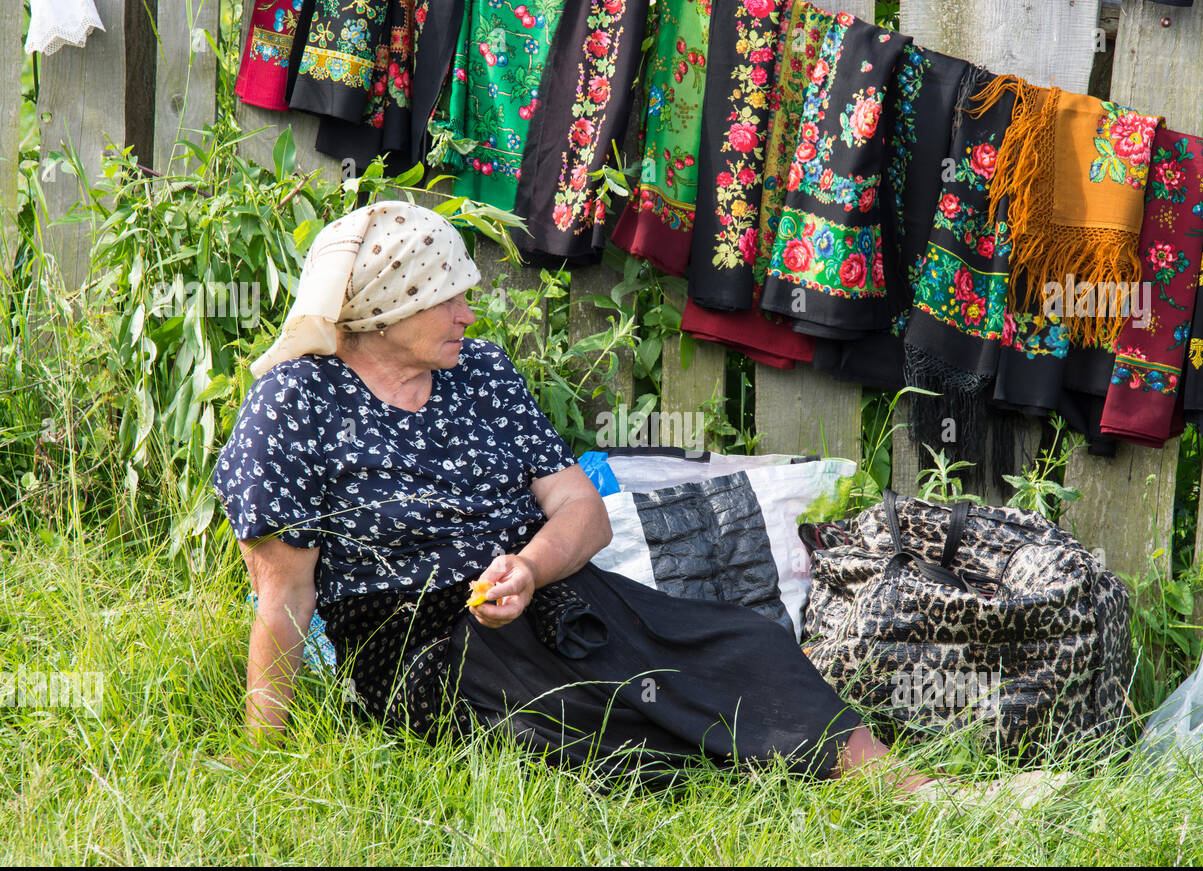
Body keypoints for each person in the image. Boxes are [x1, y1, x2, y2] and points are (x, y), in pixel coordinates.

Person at [214, 201, 931, 791]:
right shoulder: (294, 405)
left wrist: (528, 569)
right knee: (603, 706)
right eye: (449, 299)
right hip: (424, 649)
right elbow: (284, 599)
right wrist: (262, 756)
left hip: (552, 595)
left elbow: (581, 512)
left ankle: (902, 784)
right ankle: (817, 771)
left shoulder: (481, 373)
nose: (469, 314)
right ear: (385, 310)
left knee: (741, 640)